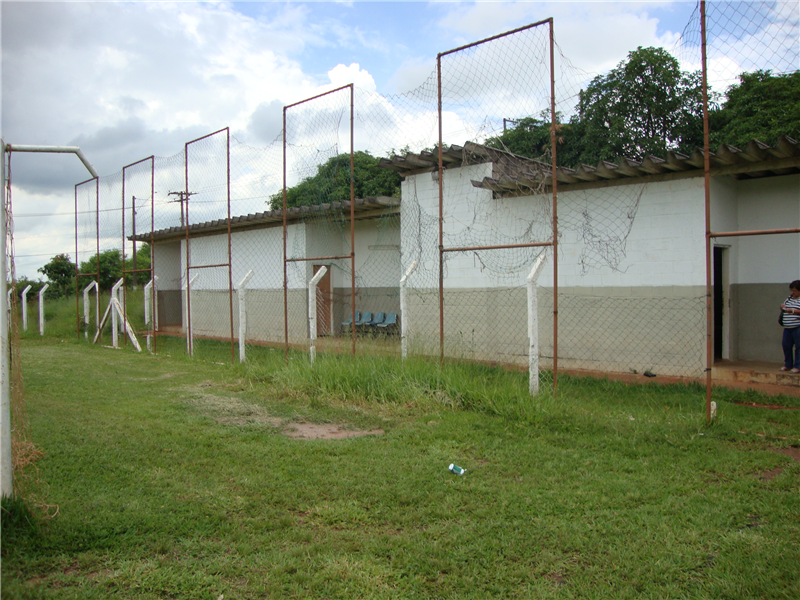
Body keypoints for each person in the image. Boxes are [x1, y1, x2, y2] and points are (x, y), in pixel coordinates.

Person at [779, 280, 800, 373]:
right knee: (786, 345)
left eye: (794, 290)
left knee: (799, 347)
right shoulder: (789, 298)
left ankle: (798, 366)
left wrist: (792, 311)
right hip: (788, 327)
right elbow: (784, 306)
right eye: (791, 290)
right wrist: (782, 307)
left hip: (797, 327)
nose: (792, 292)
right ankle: (788, 364)